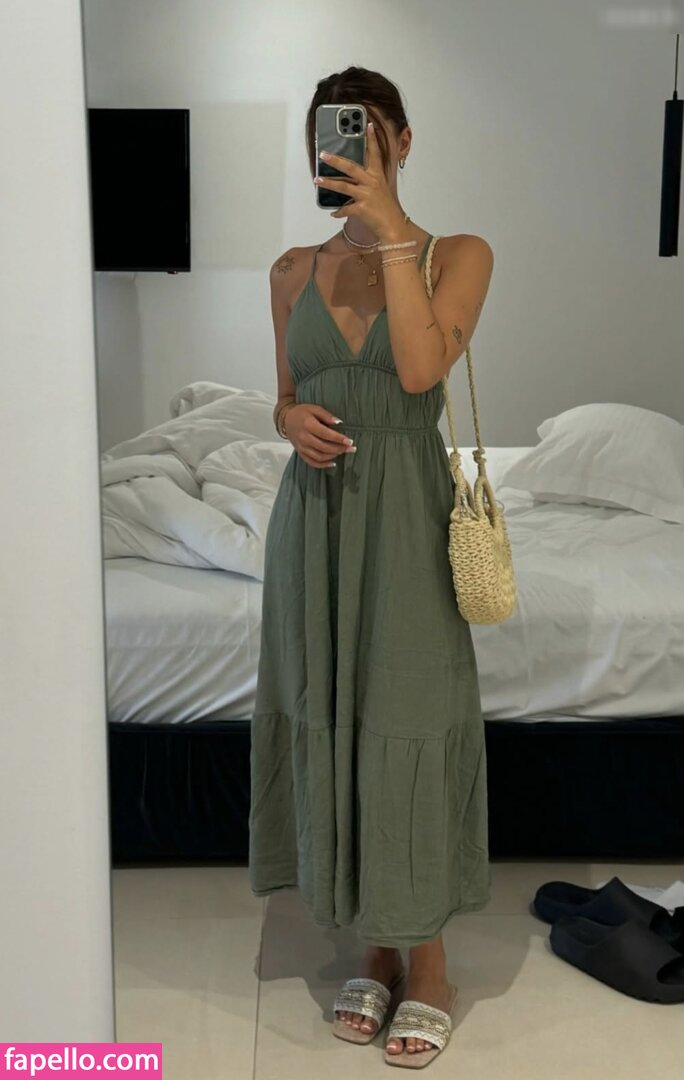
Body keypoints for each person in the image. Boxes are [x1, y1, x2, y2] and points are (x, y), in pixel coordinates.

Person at [249, 65, 494, 1063]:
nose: (344, 150)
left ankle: (428, 962)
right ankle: (376, 949)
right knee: (336, 714)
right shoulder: (289, 270)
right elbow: (281, 394)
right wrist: (287, 421)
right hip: (314, 518)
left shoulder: (456, 255)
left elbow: (422, 370)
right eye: (329, 136)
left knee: (407, 716)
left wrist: (389, 225)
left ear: (402, 141)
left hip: (406, 518)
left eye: (362, 132)